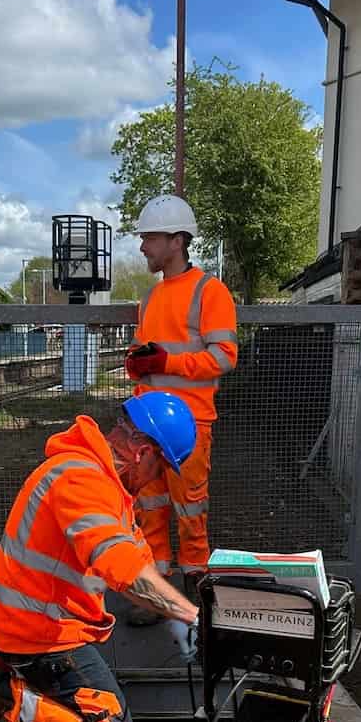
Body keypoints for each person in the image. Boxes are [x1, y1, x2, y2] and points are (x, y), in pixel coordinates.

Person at [0, 392, 200, 722]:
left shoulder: (104, 482)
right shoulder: (84, 482)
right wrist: (190, 615)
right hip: (37, 635)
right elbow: (123, 569)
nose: (155, 480)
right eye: (160, 470)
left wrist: (186, 612)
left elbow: (138, 560)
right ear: (143, 453)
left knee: (98, 694)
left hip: (30, 624)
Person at [125, 195, 238, 622]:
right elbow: (142, 355)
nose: (143, 247)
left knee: (191, 510)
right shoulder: (150, 299)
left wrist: (165, 362)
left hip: (190, 425)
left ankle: (198, 595)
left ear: (177, 240)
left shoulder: (211, 291)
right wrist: (135, 362)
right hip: (148, 423)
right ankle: (160, 596)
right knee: (149, 507)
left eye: (150, 238)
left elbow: (225, 357)